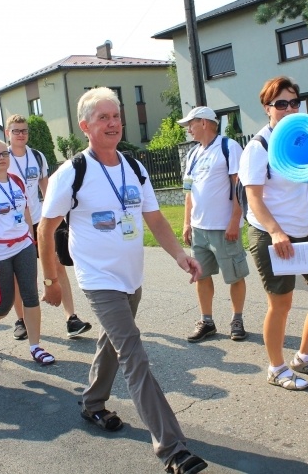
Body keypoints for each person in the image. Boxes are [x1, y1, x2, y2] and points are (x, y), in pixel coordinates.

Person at [38, 87, 208, 474]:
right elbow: (45, 230)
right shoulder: (73, 172)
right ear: (85, 126)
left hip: (131, 276)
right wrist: (51, 279)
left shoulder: (134, 167)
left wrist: (180, 255)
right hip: (98, 280)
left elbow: (155, 219)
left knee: (113, 343)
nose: (113, 123)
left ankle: (92, 403)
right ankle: (172, 448)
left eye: (116, 116)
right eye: (103, 117)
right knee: (134, 354)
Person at [238, 76, 308, 391]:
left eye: (295, 102)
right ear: (268, 108)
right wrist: (276, 232)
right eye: (281, 104)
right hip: (271, 233)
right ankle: (276, 367)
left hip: (305, 229)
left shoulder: (303, 140)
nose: (290, 108)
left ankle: (305, 358)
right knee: (281, 304)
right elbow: (253, 197)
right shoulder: (259, 147)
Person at [4, 114, 91, 341]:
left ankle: (71, 318)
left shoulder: (37, 156)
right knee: (20, 274)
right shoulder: (3, 158)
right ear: (8, 134)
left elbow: (46, 187)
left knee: (57, 265)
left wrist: (55, 217)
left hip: (38, 221)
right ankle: (21, 320)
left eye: (24, 130)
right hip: (13, 225)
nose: (21, 134)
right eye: (16, 131)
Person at [0, 139, 55, 365]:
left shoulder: (16, 181)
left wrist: (30, 237)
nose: (1, 158)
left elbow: (26, 211)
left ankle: (35, 347)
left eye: (4, 154)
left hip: (23, 246)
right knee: (4, 304)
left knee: (30, 295)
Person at [178, 106, 249, 342]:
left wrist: (234, 220)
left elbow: (239, 187)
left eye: (191, 123)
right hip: (199, 229)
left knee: (235, 275)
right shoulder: (193, 154)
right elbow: (189, 191)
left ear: (205, 123)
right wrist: (187, 223)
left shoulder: (229, 148)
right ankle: (207, 321)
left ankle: (237, 319)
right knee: (201, 276)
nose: (188, 128)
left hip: (224, 227)